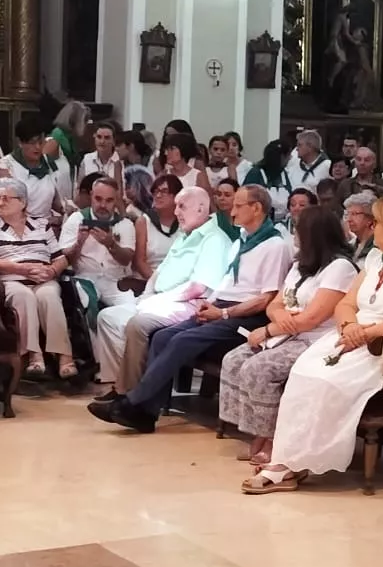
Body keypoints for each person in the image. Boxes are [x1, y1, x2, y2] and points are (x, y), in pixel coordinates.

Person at [241, 195, 383, 492]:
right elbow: (347, 303)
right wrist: (350, 325)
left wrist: (367, 332)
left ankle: (295, 463)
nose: (371, 227)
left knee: (326, 382)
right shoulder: (376, 259)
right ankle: (288, 458)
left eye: (377, 222)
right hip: (353, 336)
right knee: (302, 372)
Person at [92, 184, 293, 433]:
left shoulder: (274, 245)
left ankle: (131, 403)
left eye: (239, 206)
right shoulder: (241, 240)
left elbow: (266, 298)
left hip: (245, 316)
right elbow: (227, 282)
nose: (232, 212)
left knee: (181, 340)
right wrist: (213, 304)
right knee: (162, 336)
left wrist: (223, 313)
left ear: (257, 208)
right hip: (221, 307)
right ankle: (146, 414)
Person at [217, 206, 359, 466]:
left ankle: (274, 439)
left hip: (316, 340)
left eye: (298, 229)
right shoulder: (300, 264)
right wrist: (279, 317)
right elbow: (275, 304)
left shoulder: (341, 268)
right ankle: (255, 432)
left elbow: (312, 319)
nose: (293, 234)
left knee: (258, 368)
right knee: (233, 360)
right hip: (286, 333)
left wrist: (269, 329)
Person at [92, 187, 229, 391]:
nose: (176, 213)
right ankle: (118, 384)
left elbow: (198, 288)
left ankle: (129, 392)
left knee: (137, 324)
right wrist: (147, 295)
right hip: (161, 299)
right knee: (107, 318)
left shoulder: (215, 239)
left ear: (201, 208)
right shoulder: (185, 235)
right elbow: (159, 271)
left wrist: (160, 300)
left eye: (181, 206)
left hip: (188, 306)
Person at [0, 178, 75, 380]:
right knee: (24, 297)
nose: (0, 202)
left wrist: (53, 271)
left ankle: (65, 356)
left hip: (43, 279)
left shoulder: (40, 224)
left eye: (6, 198)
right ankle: (34, 356)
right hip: (11, 279)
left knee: (49, 297)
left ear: (22, 202)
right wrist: (20, 269)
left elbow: (61, 259)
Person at [59, 175, 141, 361]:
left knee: (133, 310)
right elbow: (66, 258)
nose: (103, 205)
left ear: (116, 201)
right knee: (86, 301)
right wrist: (79, 242)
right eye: (98, 199)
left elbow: (126, 260)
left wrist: (111, 244)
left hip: (115, 281)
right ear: (91, 196)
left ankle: (126, 361)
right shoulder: (76, 219)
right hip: (85, 277)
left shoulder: (125, 224)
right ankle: (99, 362)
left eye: (109, 200)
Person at [0, 117, 67, 220]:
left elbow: (55, 202)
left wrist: (65, 211)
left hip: (48, 227)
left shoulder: (48, 162)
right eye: (32, 143)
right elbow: (7, 208)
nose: (38, 147)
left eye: (41, 142)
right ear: (20, 142)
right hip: (19, 227)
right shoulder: (6, 165)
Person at [134, 175, 183, 279]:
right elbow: (140, 262)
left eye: (164, 191)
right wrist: (158, 283)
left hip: (178, 279)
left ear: (177, 196)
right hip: (150, 280)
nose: (158, 195)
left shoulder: (184, 221)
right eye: (156, 191)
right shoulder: (143, 222)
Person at [282, 129, 331, 196]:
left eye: (300, 145)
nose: (296, 149)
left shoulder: (327, 166)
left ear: (310, 147)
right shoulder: (293, 163)